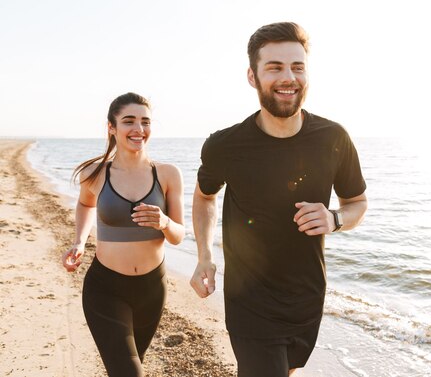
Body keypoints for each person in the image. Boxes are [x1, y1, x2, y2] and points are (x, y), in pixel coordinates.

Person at [190, 22, 368, 376]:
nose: (288, 77)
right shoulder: (225, 145)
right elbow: (204, 197)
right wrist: (204, 256)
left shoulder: (333, 138)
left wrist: (335, 219)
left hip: (307, 297)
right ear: (253, 77)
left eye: (297, 67)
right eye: (274, 67)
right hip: (249, 302)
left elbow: (357, 203)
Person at [61, 92, 185, 377]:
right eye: (129, 121)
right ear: (111, 127)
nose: (138, 129)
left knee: (127, 368)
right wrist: (80, 241)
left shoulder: (168, 174)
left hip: (152, 290)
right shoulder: (94, 173)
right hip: (105, 288)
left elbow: (178, 235)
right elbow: (84, 204)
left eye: (145, 122)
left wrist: (164, 222)